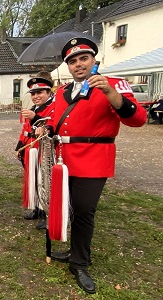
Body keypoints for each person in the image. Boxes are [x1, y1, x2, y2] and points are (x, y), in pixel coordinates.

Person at [47, 37, 147, 294]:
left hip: (93, 158)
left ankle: (80, 263)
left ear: (94, 60)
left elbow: (137, 119)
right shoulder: (62, 92)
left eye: (83, 58)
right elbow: (58, 121)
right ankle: (73, 251)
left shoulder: (113, 85)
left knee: (84, 210)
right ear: (68, 66)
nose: (78, 65)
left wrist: (110, 93)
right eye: (72, 61)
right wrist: (46, 128)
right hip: (64, 159)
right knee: (69, 207)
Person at [14, 76, 54, 230]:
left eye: (40, 92)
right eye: (33, 93)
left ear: (48, 92)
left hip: (44, 150)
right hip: (30, 149)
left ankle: (46, 214)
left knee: (45, 182)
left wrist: (35, 118)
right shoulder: (32, 109)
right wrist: (19, 147)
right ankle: (37, 208)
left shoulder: (54, 107)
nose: (36, 96)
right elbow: (25, 130)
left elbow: (51, 125)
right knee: (34, 180)